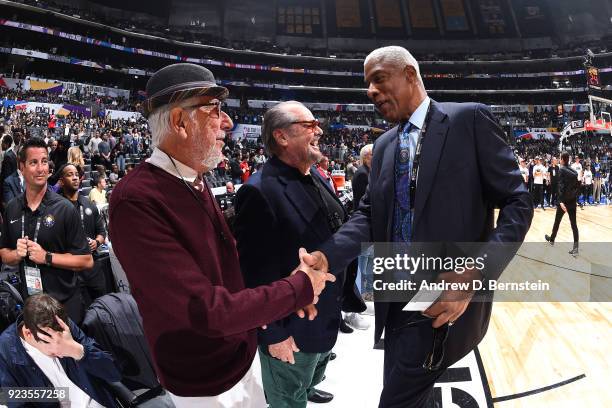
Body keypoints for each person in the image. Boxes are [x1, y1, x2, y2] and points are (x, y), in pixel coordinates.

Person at [303, 46, 533, 407]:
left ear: (410, 74)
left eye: (379, 79)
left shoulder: (468, 120)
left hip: (442, 293)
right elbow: (368, 216)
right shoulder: (383, 145)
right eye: (367, 84)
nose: (371, 92)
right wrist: (327, 256)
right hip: (393, 295)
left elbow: (518, 203)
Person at [108, 63, 335, 407]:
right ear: (180, 122)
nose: (227, 122)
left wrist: (283, 293)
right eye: (214, 109)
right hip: (202, 382)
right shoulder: (136, 200)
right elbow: (205, 311)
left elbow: (227, 270)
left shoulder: (193, 178)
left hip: (236, 360)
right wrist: (297, 288)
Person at [234, 101, 363, 406]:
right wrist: (273, 335)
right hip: (291, 329)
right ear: (282, 137)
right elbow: (254, 275)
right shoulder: (259, 191)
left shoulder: (313, 174)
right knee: (287, 398)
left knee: (310, 376)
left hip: (324, 316)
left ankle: (308, 386)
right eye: (309, 125)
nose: (319, 130)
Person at [0, 137, 94, 323]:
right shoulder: (12, 208)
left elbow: (87, 260)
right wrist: (17, 255)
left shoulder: (65, 208)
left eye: (44, 162)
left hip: (65, 304)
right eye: (33, 162)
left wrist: (46, 257)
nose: (41, 168)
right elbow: (4, 253)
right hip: (32, 304)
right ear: (21, 167)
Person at [0, 293, 121, 408]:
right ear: (28, 333)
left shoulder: (63, 326)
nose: (60, 353)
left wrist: (77, 351)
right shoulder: (6, 352)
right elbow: (17, 402)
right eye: (51, 346)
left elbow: (114, 373)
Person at [58, 163, 108, 305]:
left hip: (93, 267)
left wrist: (96, 242)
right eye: (69, 174)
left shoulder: (89, 204)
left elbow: (101, 231)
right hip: (71, 271)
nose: (75, 178)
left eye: (76, 174)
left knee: (102, 307)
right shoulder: (57, 208)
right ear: (61, 181)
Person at [546, 152, 580, 256]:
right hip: (572, 202)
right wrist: (574, 198)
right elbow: (577, 187)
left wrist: (560, 201)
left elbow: (560, 187)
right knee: (574, 225)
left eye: (560, 159)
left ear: (562, 160)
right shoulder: (574, 172)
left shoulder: (561, 170)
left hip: (563, 203)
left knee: (557, 221)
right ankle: (576, 248)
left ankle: (552, 240)